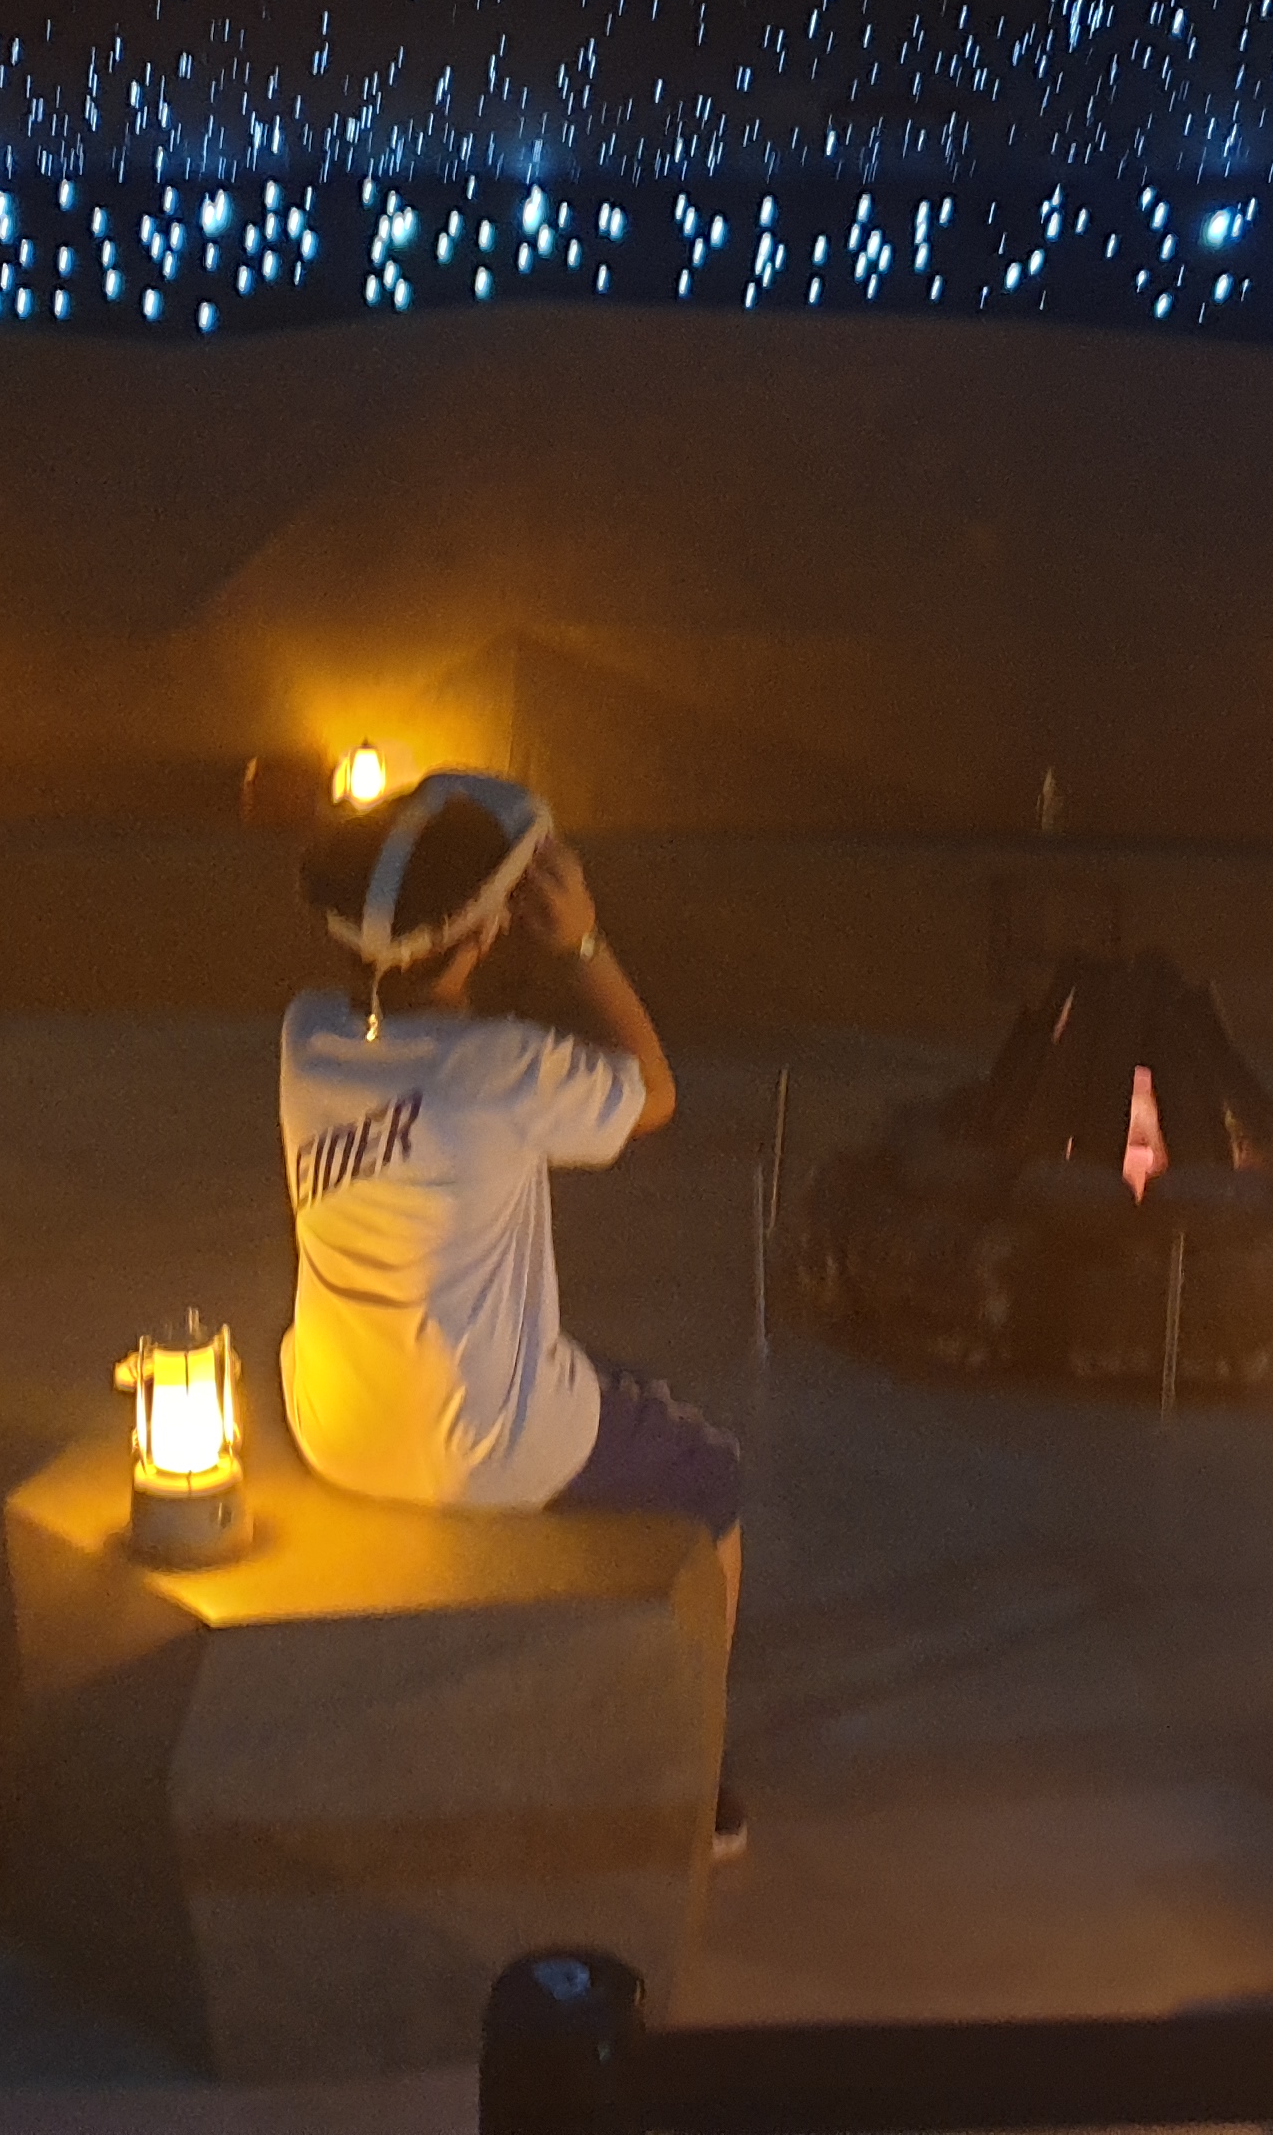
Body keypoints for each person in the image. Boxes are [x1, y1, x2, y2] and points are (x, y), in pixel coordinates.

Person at [281, 774, 748, 1857]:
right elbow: (655, 1093)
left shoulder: (306, 1035)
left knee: (598, 1370)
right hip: (486, 1447)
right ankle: (699, 1775)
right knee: (713, 1477)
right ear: (484, 935)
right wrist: (583, 945)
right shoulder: (502, 1068)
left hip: (335, 1425)